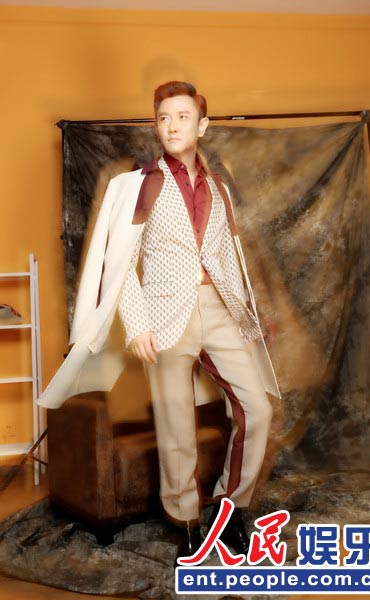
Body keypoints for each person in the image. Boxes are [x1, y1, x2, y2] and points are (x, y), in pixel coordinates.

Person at [38, 80, 281, 560]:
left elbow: (229, 257)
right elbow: (121, 263)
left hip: (220, 311)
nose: (172, 126)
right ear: (156, 124)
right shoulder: (139, 184)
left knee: (258, 409)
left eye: (183, 117)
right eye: (164, 118)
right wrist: (137, 324)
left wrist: (250, 316)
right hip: (164, 317)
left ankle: (230, 509)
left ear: (202, 126)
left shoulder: (219, 188)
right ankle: (186, 520)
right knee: (176, 427)